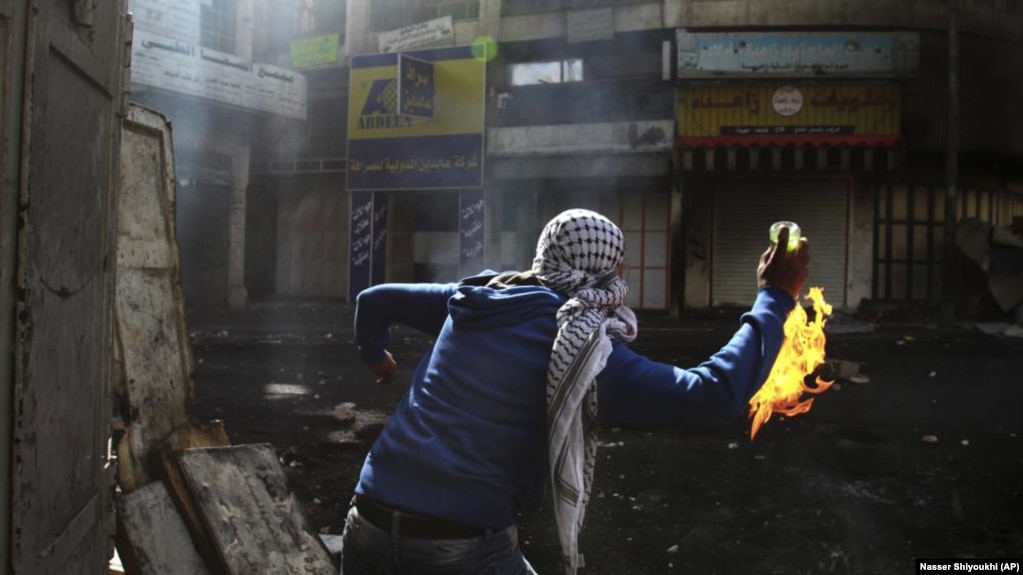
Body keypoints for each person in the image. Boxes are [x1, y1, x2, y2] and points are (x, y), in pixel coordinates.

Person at [341, 209, 810, 575]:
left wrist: (375, 356)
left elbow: (373, 299)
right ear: (608, 272)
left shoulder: (478, 296)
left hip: (365, 520)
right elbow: (712, 393)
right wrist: (774, 295)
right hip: (459, 544)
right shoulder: (582, 350)